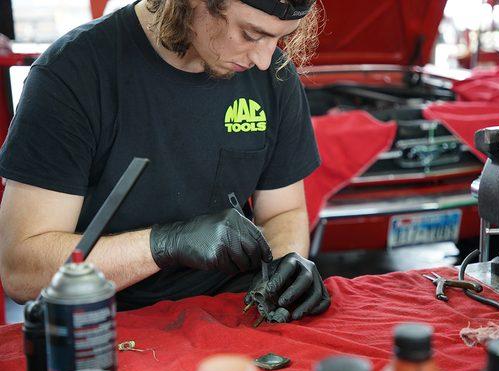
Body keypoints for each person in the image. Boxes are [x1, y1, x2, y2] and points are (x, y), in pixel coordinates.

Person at [0, 0, 330, 320]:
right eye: (251, 34)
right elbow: (21, 271)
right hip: (103, 321)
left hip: (231, 311)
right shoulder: (74, 74)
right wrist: (166, 243)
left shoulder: (274, 76)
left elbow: (283, 211)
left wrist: (288, 263)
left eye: (279, 38)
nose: (263, 59)